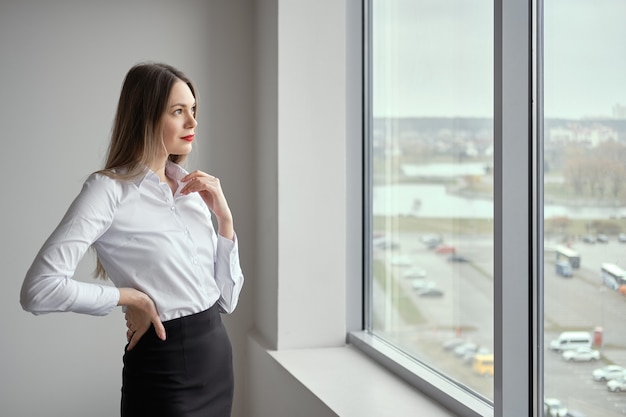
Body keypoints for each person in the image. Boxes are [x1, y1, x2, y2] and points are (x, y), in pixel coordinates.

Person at [20, 62, 244, 417]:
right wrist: (129, 298)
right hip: (165, 372)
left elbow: (226, 301)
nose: (192, 122)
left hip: (217, 361)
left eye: (194, 111)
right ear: (147, 116)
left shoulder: (192, 189)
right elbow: (38, 289)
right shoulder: (108, 191)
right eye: (178, 111)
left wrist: (225, 221)